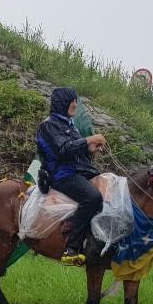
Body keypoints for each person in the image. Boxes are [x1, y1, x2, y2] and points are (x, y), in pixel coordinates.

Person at [36, 87, 108, 266]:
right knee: (92, 197)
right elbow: (63, 150)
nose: (75, 103)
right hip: (60, 175)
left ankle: (94, 244)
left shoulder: (69, 124)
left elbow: (76, 149)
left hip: (78, 172)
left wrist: (90, 149)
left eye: (75, 100)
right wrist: (88, 140)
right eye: (72, 100)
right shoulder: (48, 125)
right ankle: (72, 248)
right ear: (62, 102)